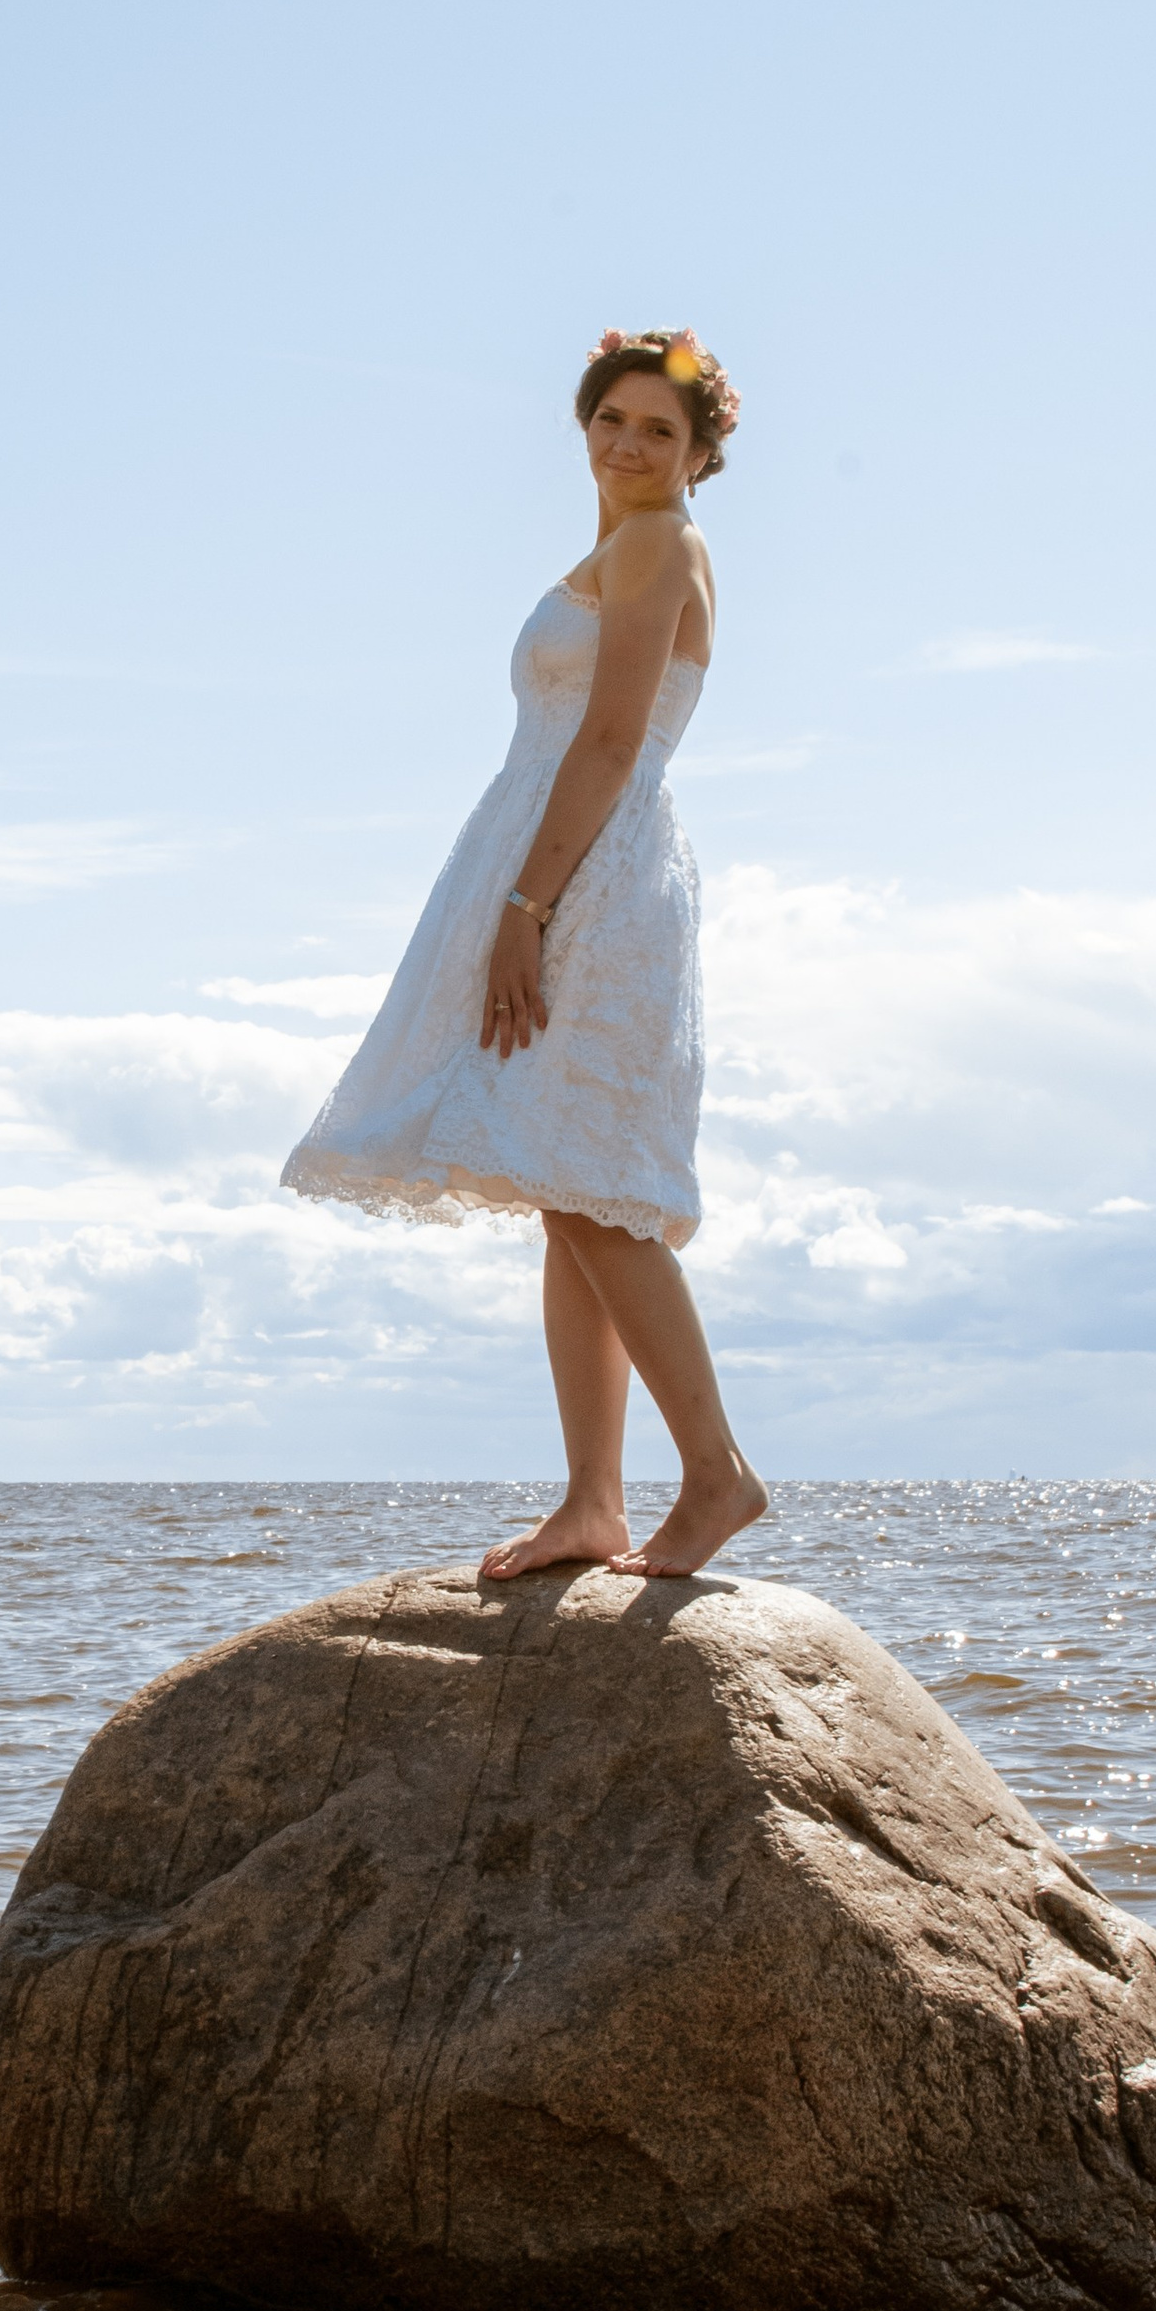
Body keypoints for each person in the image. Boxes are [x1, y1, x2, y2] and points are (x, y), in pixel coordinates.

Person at [281, 328, 767, 1581]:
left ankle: (713, 1475)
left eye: (661, 430)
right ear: (584, 425)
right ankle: (593, 1504)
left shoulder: (662, 543)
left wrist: (528, 908)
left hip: (591, 876)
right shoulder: (614, 545)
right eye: (612, 420)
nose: (629, 446)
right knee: (564, 1188)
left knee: (594, 1187)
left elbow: (609, 742)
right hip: (552, 860)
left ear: (699, 453)